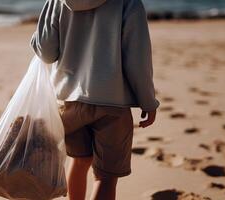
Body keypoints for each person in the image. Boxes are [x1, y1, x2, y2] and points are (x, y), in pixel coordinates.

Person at [30, 0, 159, 199]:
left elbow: (46, 52)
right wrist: (148, 101)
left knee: (79, 162)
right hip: (112, 102)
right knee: (106, 177)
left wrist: (36, 39)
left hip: (69, 99)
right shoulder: (129, 2)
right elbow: (137, 58)